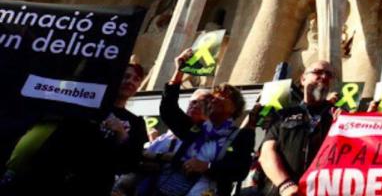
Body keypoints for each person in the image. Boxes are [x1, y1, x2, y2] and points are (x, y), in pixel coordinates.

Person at [2, 62, 148, 196]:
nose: (130, 81)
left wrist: (121, 134)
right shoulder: (84, 105)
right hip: (52, 179)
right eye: (126, 76)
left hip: (92, 187)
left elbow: (130, 163)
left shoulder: (136, 123)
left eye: (136, 79)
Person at [157, 49, 252, 196]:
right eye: (213, 96)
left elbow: (239, 171)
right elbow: (169, 111)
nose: (214, 99)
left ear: (234, 108)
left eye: (222, 97)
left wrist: (207, 166)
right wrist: (179, 72)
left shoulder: (239, 137)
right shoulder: (196, 128)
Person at [255, 61, 336, 196]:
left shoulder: (338, 116)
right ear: (303, 79)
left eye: (328, 74)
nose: (324, 76)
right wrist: (285, 184)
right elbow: (266, 152)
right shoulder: (283, 114)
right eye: (318, 72)